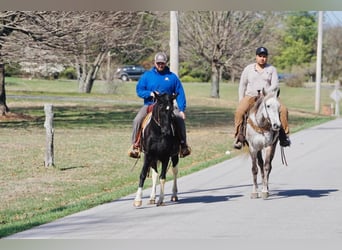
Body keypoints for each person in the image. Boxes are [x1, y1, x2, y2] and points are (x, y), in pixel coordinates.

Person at [128, 52, 191, 158]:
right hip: (150, 104)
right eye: (158, 63)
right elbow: (139, 90)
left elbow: (180, 92)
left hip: (168, 106)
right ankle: (135, 146)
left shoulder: (172, 77)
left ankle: (183, 145)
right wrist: (150, 93)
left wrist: (181, 109)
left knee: (179, 119)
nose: (160, 65)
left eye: (162, 63)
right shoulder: (147, 76)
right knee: (137, 120)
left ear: (165, 63)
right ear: (155, 63)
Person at [233, 46, 291, 149]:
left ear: (267, 57)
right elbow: (242, 84)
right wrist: (241, 99)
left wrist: (266, 92)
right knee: (239, 111)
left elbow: (275, 85)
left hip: (268, 97)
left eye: (264, 56)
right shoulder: (248, 69)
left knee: (283, 110)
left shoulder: (271, 69)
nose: (262, 58)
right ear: (256, 57)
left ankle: (284, 135)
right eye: (260, 56)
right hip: (251, 96)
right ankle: (238, 137)